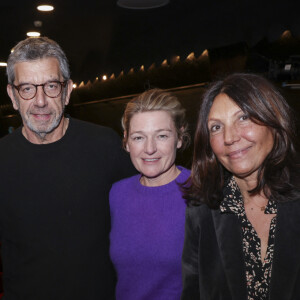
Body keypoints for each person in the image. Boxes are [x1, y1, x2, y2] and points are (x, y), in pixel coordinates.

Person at [0, 37, 135, 300]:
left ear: (67, 90)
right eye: (27, 88)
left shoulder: (106, 146)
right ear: (12, 96)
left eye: (51, 86)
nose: (40, 101)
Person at [181, 73, 300, 300]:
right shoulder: (202, 211)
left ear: (274, 120)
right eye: (216, 127)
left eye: (243, 117)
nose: (229, 137)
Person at [109, 89, 190, 300]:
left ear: (179, 138)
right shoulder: (117, 193)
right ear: (126, 142)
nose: (150, 149)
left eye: (162, 136)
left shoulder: (201, 191)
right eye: (139, 137)